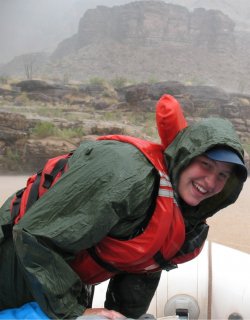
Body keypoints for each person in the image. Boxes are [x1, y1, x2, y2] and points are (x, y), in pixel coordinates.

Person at [0, 94, 248, 320]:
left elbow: (143, 266)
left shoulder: (181, 214)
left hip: (63, 278)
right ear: (184, 157)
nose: (211, 181)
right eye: (205, 164)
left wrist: (124, 317)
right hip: (14, 260)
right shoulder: (126, 174)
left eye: (223, 175)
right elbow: (34, 234)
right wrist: (73, 312)